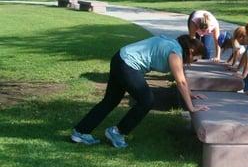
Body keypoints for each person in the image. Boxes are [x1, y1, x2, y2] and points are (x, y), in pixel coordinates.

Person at [71, 35, 208, 148]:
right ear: (190, 51)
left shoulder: (173, 44)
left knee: (110, 101)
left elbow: (181, 78)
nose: (192, 63)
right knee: (147, 101)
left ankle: (80, 132)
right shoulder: (175, 52)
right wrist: (191, 107)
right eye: (195, 59)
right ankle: (117, 132)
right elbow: (181, 81)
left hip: (120, 58)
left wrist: (189, 94)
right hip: (128, 65)